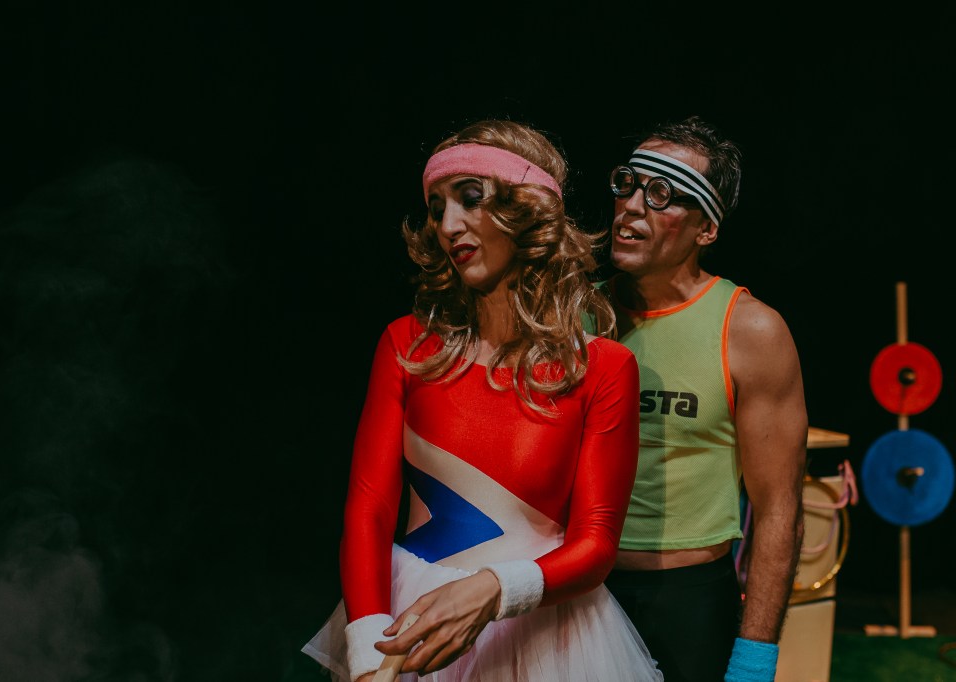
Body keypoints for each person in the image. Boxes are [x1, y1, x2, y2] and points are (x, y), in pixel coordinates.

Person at [301, 119, 663, 681]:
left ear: (528, 210)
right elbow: (369, 509)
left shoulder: (604, 369)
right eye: (436, 207)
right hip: (410, 627)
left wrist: (495, 590)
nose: (448, 225)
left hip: (546, 642)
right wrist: (368, 645)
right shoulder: (407, 347)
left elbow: (595, 545)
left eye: (470, 198)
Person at [595, 115, 807, 682]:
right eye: (627, 184)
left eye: (661, 194)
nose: (631, 207)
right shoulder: (576, 317)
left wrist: (755, 659)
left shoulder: (750, 331)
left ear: (706, 229)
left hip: (687, 604)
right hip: (578, 591)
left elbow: (779, 507)